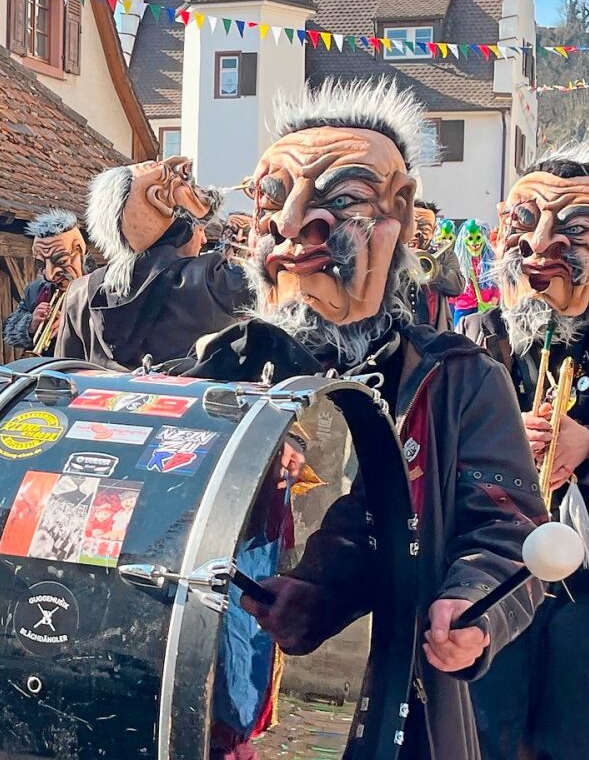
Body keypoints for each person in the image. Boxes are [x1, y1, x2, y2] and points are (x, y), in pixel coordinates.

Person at [165, 78, 546, 760]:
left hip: (404, 709)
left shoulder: (458, 379)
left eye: (339, 200)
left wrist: (470, 604)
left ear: (397, 218)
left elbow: (505, 529)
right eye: (274, 199)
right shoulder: (216, 368)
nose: (293, 227)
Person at [458, 144, 589, 760]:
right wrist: (503, 435)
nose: (541, 246)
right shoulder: (469, 341)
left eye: (574, 231)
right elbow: (435, 460)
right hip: (493, 583)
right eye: (524, 222)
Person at [55, 156, 253, 370]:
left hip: (100, 404)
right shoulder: (213, 279)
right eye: (199, 227)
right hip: (189, 403)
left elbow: (61, 378)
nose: (203, 239)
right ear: (180, 227)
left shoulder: (80, 291)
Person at [2, 210, 92, 356]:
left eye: (61, 261)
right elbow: (9, 329)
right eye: (41, 264)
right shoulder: (35, 290)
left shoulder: (104, 288)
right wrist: (30, 324)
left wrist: (73, 325)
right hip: (49, 369)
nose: (49, 275)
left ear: (79, 250)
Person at [406, 200, 463, 330]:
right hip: (401, 331)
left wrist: (434, 268)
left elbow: (458, 286)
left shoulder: (444, 255)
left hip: (435, 331)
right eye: (412, 226)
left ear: (434, 230)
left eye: (424, 228)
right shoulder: (392, 253)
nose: (417, 233)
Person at [451, 218, 499, 327]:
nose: (474, 243)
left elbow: (497, 282)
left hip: (486, 307)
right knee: (461, 339)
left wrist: (494, 299)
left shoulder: (490, 261)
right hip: (463, 307)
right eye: (470, 238)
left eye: (478, 238)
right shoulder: (459, 261)